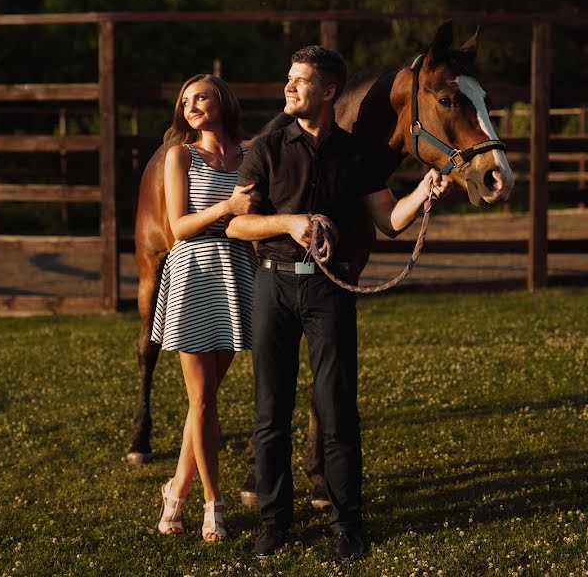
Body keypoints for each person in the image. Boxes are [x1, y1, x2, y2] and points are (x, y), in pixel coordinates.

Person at [225, 46, 452, 560]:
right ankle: (274, 522)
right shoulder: (265, 148)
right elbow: (237, 223)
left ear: (328, 91)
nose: (289, 87)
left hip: (330, 289)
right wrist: (289, 223)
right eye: (289, 78)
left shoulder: (357, 155)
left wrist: (423, 192)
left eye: (301, 80)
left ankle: (347, 524)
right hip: (273, 284)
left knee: (338, 411)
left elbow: (389, 221)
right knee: (271, 411)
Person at [152, 74, 259, 542]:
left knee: (208, 398)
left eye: (201, 96)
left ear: (223, 101)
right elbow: (178, 226)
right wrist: (228, 206)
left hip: (238, 276)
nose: (191, 105)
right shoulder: (181, 156)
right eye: (185, 100)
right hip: (193, 275)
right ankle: (212, 504)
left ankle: (174, 491)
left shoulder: (250, 155)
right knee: (201, 399)